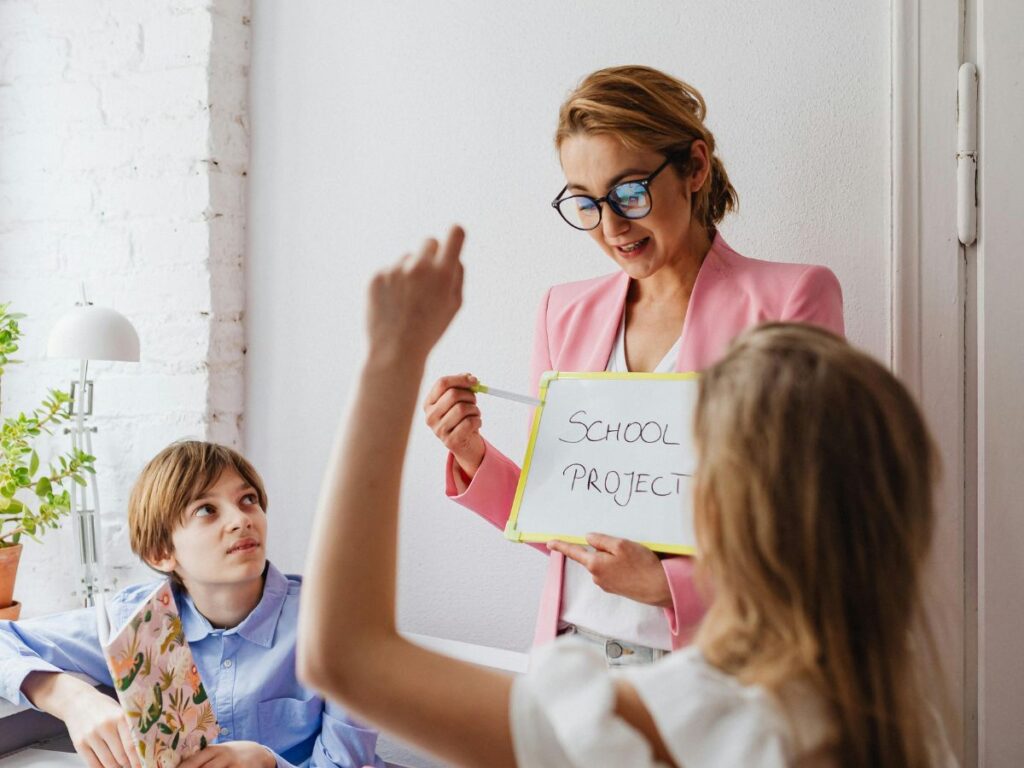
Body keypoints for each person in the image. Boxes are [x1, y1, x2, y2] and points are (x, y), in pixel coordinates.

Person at [297, 227, 955, 767]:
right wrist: (476, 456)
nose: (611, 223)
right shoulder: (909, 727)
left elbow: (344, 656)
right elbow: (559, 506)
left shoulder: (693, 725)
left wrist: (392, 357)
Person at [423, 66, 845, 659]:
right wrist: (472, 454)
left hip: (712, 671)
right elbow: (565, 517)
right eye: (586, 203)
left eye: (628, 193)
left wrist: (671, 585)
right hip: (569, 662)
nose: (612, 226)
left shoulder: (790, 301)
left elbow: (815, 521)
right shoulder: (561, 311)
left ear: (694, 167)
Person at [0, 440, 384, 768]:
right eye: (207, 510)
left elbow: (348, 763)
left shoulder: (338, 624)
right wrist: (71, 699)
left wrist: (266, 761)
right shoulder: (134, 623)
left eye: (248, 500)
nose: (241, 520)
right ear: (161, 552)